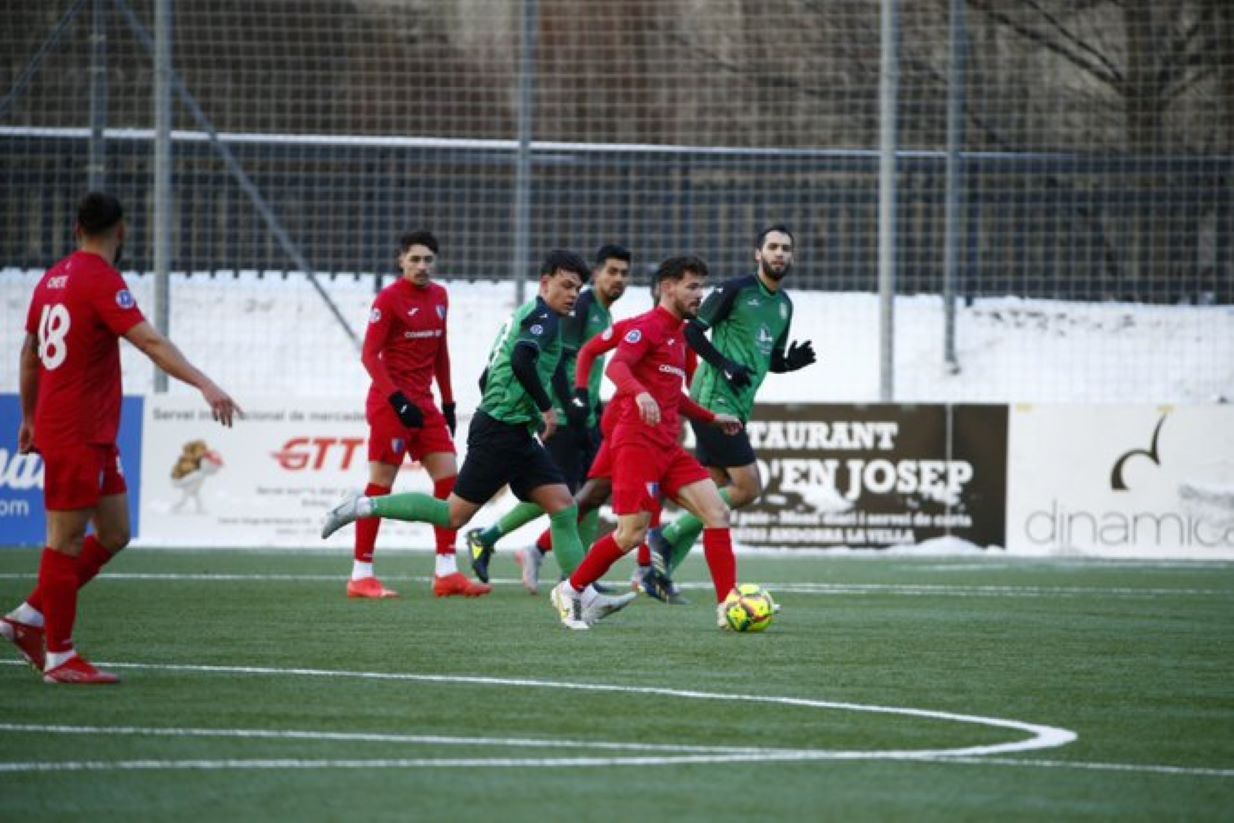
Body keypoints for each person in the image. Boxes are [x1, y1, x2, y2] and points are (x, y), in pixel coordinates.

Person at [1, 192, 241, 684]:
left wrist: (28, 416)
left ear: (76, 228)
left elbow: (29, 353)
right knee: (65, 540)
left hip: (86, 428)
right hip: (75, 429)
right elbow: (148, 341)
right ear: (122, 230)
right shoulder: (100, 279)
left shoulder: (52, 278)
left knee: (114, 532)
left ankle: (28, 618)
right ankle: (60, 657)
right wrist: (205, 384)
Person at [321, 250, 636, 625]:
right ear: (544, 283)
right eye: (566, 286)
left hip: (515, 430)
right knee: (452, 515)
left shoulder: (527, 315)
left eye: (577, 288)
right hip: (501, 432)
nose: (572, 294)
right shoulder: (543, 319)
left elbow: (488, 375)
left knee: (564, 507)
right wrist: (544, 408)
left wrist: (521, 412)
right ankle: (361, 506)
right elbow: (521, 360)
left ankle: (580, 595)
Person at [550, 255, 745, 631]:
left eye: (702, 287)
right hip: (636, 443)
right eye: (692, 286)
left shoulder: (681, 335)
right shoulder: (647, 327)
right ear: (668, 288)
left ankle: (728, 604)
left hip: (668, 447)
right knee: (630, 534)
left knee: (717, 512)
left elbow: (673, 395)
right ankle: (570, 590)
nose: (700, 295)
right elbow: (616, 366)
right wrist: (639, 394)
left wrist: (711, 417)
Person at [645, 225, 816, 596]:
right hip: (713, 400)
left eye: (786, 248)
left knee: (712, 494)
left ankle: (657, 575)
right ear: (758, 253)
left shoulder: (784, 305)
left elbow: (768, 359)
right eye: (773, 247)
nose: (779, 253)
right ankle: (665, 536)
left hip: (739, 404)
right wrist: (724, 365)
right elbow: (692, 333)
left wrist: (790, 364)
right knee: (748, 487)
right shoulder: (735, 290)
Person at [466, 244, 631, 585]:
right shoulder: (579, 308)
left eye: (624, 273)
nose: (618, 279)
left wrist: (592, 407)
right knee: (560, 496)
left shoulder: (601, 312)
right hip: (563, 417)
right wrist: (565, 406)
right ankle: (495, 538)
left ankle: (579, 574)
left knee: (587, 497)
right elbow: (556, 362)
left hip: (584, 417)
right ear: (597, 274)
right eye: (612, 271)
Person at [348, 229, 489, 599]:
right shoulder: (389, 299)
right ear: (401, 261)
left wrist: (449, 403)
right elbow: (369, 356)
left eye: (428, 259)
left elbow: (441, 352)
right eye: (415, 259)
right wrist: (397, 400)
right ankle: (361, 574)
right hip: (389, 403)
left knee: (450, 479)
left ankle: (446, 571)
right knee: (381, 484)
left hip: (425, 404)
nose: (422, 266)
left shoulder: (440, 296)